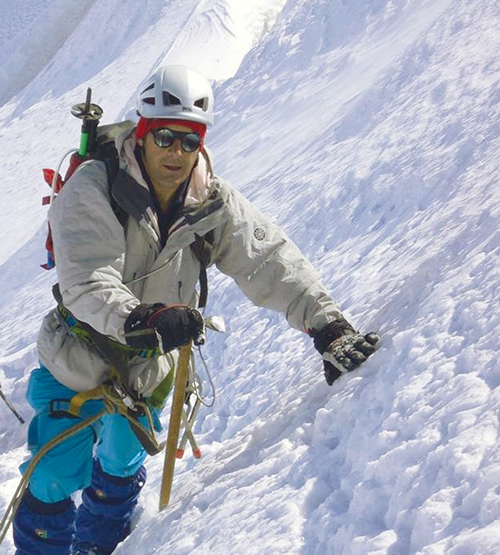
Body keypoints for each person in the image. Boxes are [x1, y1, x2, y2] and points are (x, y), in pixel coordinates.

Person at [12, 64, 378, 555]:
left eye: (190, 141)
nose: (176, 152)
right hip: (77, 357)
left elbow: (267, 259)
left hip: (147, 368)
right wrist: (142, 318)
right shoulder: (93, 187)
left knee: (121, 463)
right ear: (142, 133)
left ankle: (102, 545)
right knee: (56, 472)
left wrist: (326, 325)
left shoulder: (210, 201)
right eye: (164, 137)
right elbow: (86, 279)